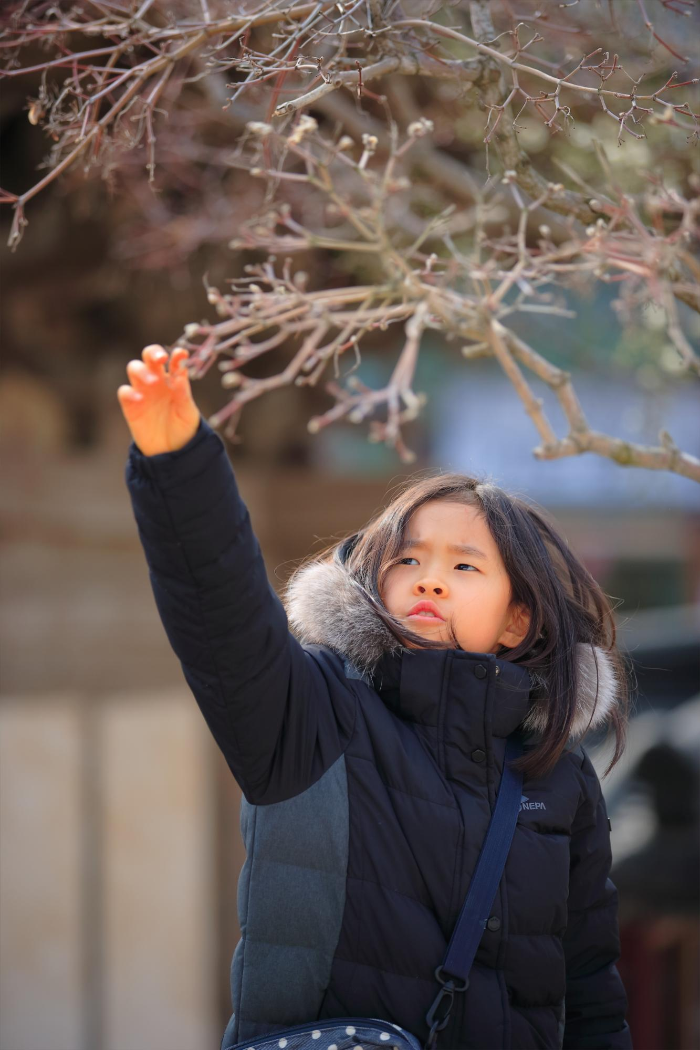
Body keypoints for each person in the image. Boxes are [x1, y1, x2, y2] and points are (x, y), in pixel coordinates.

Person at [118, 345, 634, 1050]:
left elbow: (592, 994)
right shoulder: (314, 712)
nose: (430, 579)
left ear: (517, 620)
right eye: (408, 558)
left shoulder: (560, 778)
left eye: (464, 566)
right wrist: (181, 464)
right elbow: (222, 614)